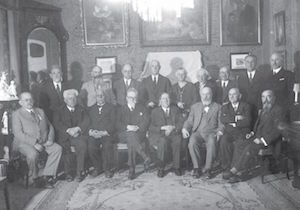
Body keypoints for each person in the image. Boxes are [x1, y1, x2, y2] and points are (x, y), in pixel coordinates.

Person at [224, 90, 284, 183]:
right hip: (257, 138)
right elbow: (258, 126)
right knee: (240, 143)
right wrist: (252, 133)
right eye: (263, 97)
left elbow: (278, 130)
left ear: (274, 98)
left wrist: (262, 140)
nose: (265, 99)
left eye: (268, 96)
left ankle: (238, 172)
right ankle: (236, 170)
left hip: (270, 142)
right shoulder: (263, 109)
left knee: (250, 148)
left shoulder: (279, 110)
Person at [12, 92, 62, 188]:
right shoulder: (17, 114)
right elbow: (18, 133)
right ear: (20, 102)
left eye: (31, 99)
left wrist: (50, 138)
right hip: (25, 143)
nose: (29, 102)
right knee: (33, 155)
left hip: (43, 141)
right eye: (26, 100)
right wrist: (34, 143)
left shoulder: (40, 111)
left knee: (57, 149)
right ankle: (35, 178)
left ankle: (46, 175)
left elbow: (50, 126)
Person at [182, 87, 224, 178]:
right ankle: (197, 168)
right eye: (203, 94)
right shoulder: (195, 107)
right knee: (192, 142)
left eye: (208, 94)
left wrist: (220, 131)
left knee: (212, 142)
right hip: (198, 132)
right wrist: (185, 128)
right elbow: (189, 121)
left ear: (211, 95)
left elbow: (222, 123)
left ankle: (208, 169)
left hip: (211, 133)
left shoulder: (218, 107)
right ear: (200, 95)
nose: (206, 96)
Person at [53, 89, 89, 182]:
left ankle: (79, 172)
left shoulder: (81, 108)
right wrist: (68, 130)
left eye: (74, 98)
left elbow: (86, 121)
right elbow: (57, 123)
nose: (72, 100)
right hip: (65, 136)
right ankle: (68, 173)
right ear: (65, 100)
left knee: (82, 145)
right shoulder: (59, 110)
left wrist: (77, 128)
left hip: (78, 135)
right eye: (69, 99)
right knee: (65, 148)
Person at [116, 88, 151, 180]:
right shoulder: (121, 109)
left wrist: (138, 127)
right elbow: (117, 123)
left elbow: (146, 120)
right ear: (127, 98)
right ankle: (143, 155)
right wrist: (128, 127)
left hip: (139, 133)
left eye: (135, 97)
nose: (134, 100)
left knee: (131, 139)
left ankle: (132, 168)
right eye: (131, 97)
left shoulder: (142, 108)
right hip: (124, 134)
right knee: (131, 135)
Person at [149, 93, 183, 177]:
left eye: (168, 98)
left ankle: (176, 167)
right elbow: (151, 127)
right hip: (161, 135)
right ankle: (161, 168)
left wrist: (173, 127)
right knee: (162, 142)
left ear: (170, 100)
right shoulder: (155, 111)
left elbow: (181, 122)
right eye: (164, 98)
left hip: (174, 133)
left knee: (177, 141)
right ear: (160, 101)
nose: (166, 100)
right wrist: (162, 128)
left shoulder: (176, 109)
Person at [219, 88, 251, 175]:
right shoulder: (225, 107)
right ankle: (226, 167)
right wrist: (236, 118)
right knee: (224, 141)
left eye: (234, 94)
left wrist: (234, 124)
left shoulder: (246, 106)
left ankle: (236, 168)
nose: (231, 96)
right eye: (230, 94)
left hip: (242, 132)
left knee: (239, 144)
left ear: (239, 96)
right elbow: (223, 119)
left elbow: (247, 121)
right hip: (230, 132)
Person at [87, 90, 115, 178]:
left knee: (107, 146)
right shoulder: (91, 109)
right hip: (95, 134)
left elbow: (114, 123)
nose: (100, 97)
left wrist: (104, 132)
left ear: (105, 97)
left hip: (106, 133)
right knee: (91, 147)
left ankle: (107, 169)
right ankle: (98, 167)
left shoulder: (111, 107)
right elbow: (88, 123)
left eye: (102, 95)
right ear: (95, 98)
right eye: (98, 96)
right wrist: (91, 131)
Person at [237, 55, 268, 127]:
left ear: (256, 63)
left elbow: (264, 93)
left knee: (257, 127)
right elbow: (240, 94)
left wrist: (261, 107)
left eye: (252, 62)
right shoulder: (240, 77)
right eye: (248, 62)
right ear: (245, 63)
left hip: (258, 107)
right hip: (245, 108)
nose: (250, 64)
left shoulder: (263, 76)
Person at [268, 52, 295, 118]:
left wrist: (288, 107)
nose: (274, 62)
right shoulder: (267, 75)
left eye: (276, 60)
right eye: (272, 60)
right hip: (269, 108)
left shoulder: (288, 74)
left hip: (283, 108)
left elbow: (291, 92)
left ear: (281, 61)